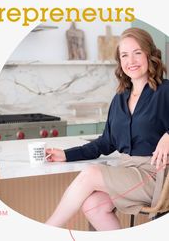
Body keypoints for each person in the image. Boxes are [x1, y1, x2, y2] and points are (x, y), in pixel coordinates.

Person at [45, 27, 169, 231]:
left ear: (150, 55)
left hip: (156, 176)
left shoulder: (165, 90)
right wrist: (65, 155)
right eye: (124, 55)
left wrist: (168, 135)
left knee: (91, 174)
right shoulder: (119, 99)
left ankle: (47, 231)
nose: (131, 61)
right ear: (120, 62)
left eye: (137, 53)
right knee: (93, 206)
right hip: (128, 171)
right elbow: (105, 142)